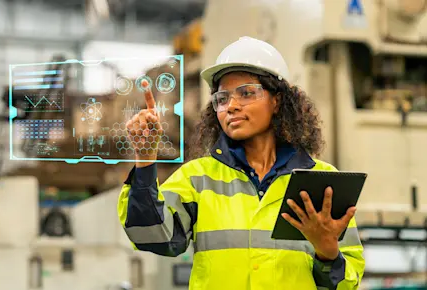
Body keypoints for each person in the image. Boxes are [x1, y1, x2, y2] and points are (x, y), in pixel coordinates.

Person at [117, 36, 365, 290]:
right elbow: (149, 234)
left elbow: (347, 284)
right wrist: (145, 159)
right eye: (222, 99)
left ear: (276, 101)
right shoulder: (198, 178)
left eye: (246, 93)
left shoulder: (321, 181)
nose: (231, 106)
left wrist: (328, 253)